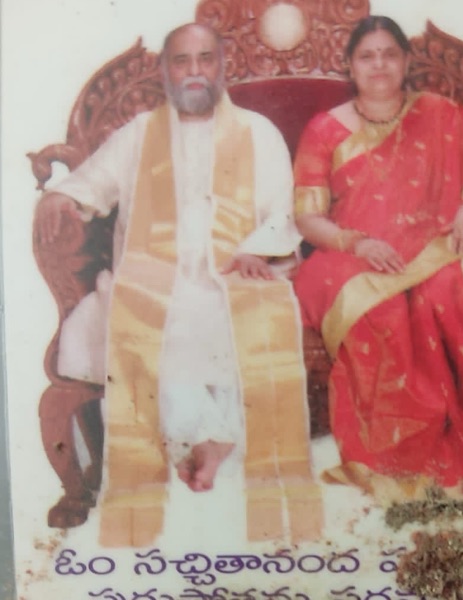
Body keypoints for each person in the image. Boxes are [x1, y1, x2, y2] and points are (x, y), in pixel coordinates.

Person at [36, 22, 322, 546]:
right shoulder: (140, 132)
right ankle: (212, 438)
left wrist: (257, 248)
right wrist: (61, 197)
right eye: (182, 61)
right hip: (151, 271)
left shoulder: (256, 131)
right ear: (165, 70)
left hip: (235, 267)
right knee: (156, 313)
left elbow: (281, 210)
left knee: (235, 312)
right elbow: (93, 182)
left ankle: (208, 443)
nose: (195, 72)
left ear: (221, 65)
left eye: (205, 59)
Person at [293, 16, 463, 506]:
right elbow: (308, 218)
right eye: (367, 56)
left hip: (433, 241)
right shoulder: (325, 129)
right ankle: (394, 464)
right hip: (349, 251)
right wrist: (357, 244)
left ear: (406, 61)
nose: (378, 65)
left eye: (389, 54)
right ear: (350, 65)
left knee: (450, 290)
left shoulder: (438, 112)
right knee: (382, 309)